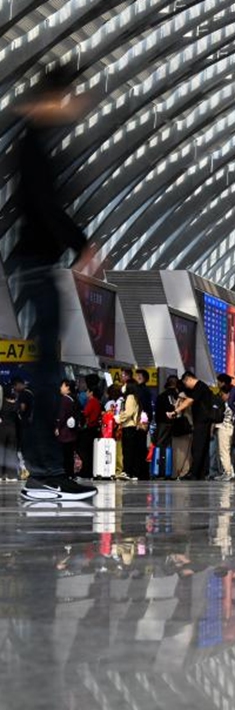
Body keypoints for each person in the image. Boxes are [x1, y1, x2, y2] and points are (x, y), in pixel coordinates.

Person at [12, 67, 100, 502]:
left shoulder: (35, 144)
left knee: (48, 372)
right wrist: (82, 244)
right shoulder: (32, 145)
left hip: (38, 266)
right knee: (47, 375)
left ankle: (44, 473)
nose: (72, 108)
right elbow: (44, 205)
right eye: (67, 99)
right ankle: (45, 474)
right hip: (36, 266)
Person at [177, 372, 214, 480]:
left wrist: (176, 410)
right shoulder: (202, 387)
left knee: (197, 447)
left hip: (202, 422)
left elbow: (189, 400)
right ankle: (201, 473)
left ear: (188, 379)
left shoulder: (199, 387)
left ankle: (194, 473)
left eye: (185, 383)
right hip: (204, 422)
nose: (186, 386)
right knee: (202, 447)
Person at [75, 382, 102, 481]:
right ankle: (89, 471)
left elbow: (86, 413)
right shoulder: (98, 402)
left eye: (87, 391)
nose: (86, 393)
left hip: (88, 430)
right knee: (90, 452)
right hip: (94, 430)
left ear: (91, 392)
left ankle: (85, 471)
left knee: (84, 451)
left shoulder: (92, 401)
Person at [117, 385, 145, 481]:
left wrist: (119, 418)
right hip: (133, 427)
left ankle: (127, 471)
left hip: (128, 426)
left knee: (127, 450)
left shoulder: (130, 397)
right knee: (133, 451)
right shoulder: (136, 397)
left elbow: (128, 412)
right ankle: (133, 473)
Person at [53, 380, 79, 478]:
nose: (60, 388)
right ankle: (71, 473)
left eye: (62, 386)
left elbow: (62, 415)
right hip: (72, 432)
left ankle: (65, 473)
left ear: (67, 387)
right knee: (70, 454)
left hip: (65, 432)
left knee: (64, 454)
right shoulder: (74, 398)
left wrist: (57, 427)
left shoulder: (64, 399)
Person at [0, 379, 24, 482]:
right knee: (11, 452)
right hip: (12, 430)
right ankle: (12, 475)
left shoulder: (2, 405)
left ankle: (1, 475)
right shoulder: (16, 404)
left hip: (2, 429)